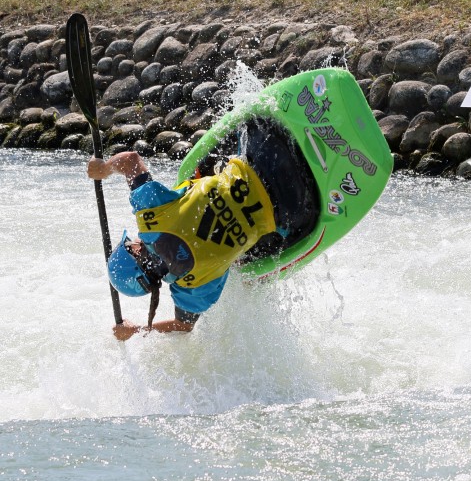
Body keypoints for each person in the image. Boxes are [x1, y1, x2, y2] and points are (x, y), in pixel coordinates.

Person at [88, 117, 320, 341]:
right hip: (269, 152)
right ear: (136, 252)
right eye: (131, 244)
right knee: (201, 175)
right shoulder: (151, 217)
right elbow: (130, 159)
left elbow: (183, 326)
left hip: (298, 207)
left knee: (242, 267)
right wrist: (104, 170)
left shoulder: (192, 287)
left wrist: (136, 330)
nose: (136, 240)